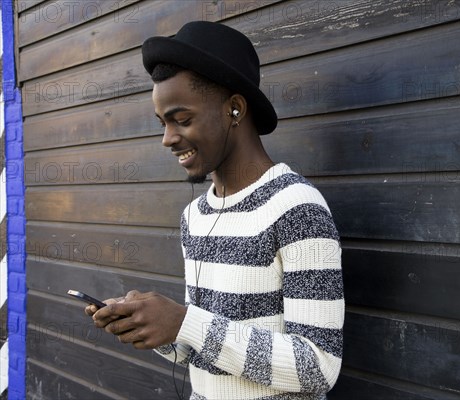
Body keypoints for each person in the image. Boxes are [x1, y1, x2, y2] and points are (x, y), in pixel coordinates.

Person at [86, 21, 344, 400]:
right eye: (162, 123)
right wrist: (153, 325)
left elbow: (318, 366)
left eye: (182, 119)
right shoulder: (196, 216)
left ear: (235, 109)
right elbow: (204, 349)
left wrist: (185, 321)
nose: (167, 138)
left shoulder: (296, 208)